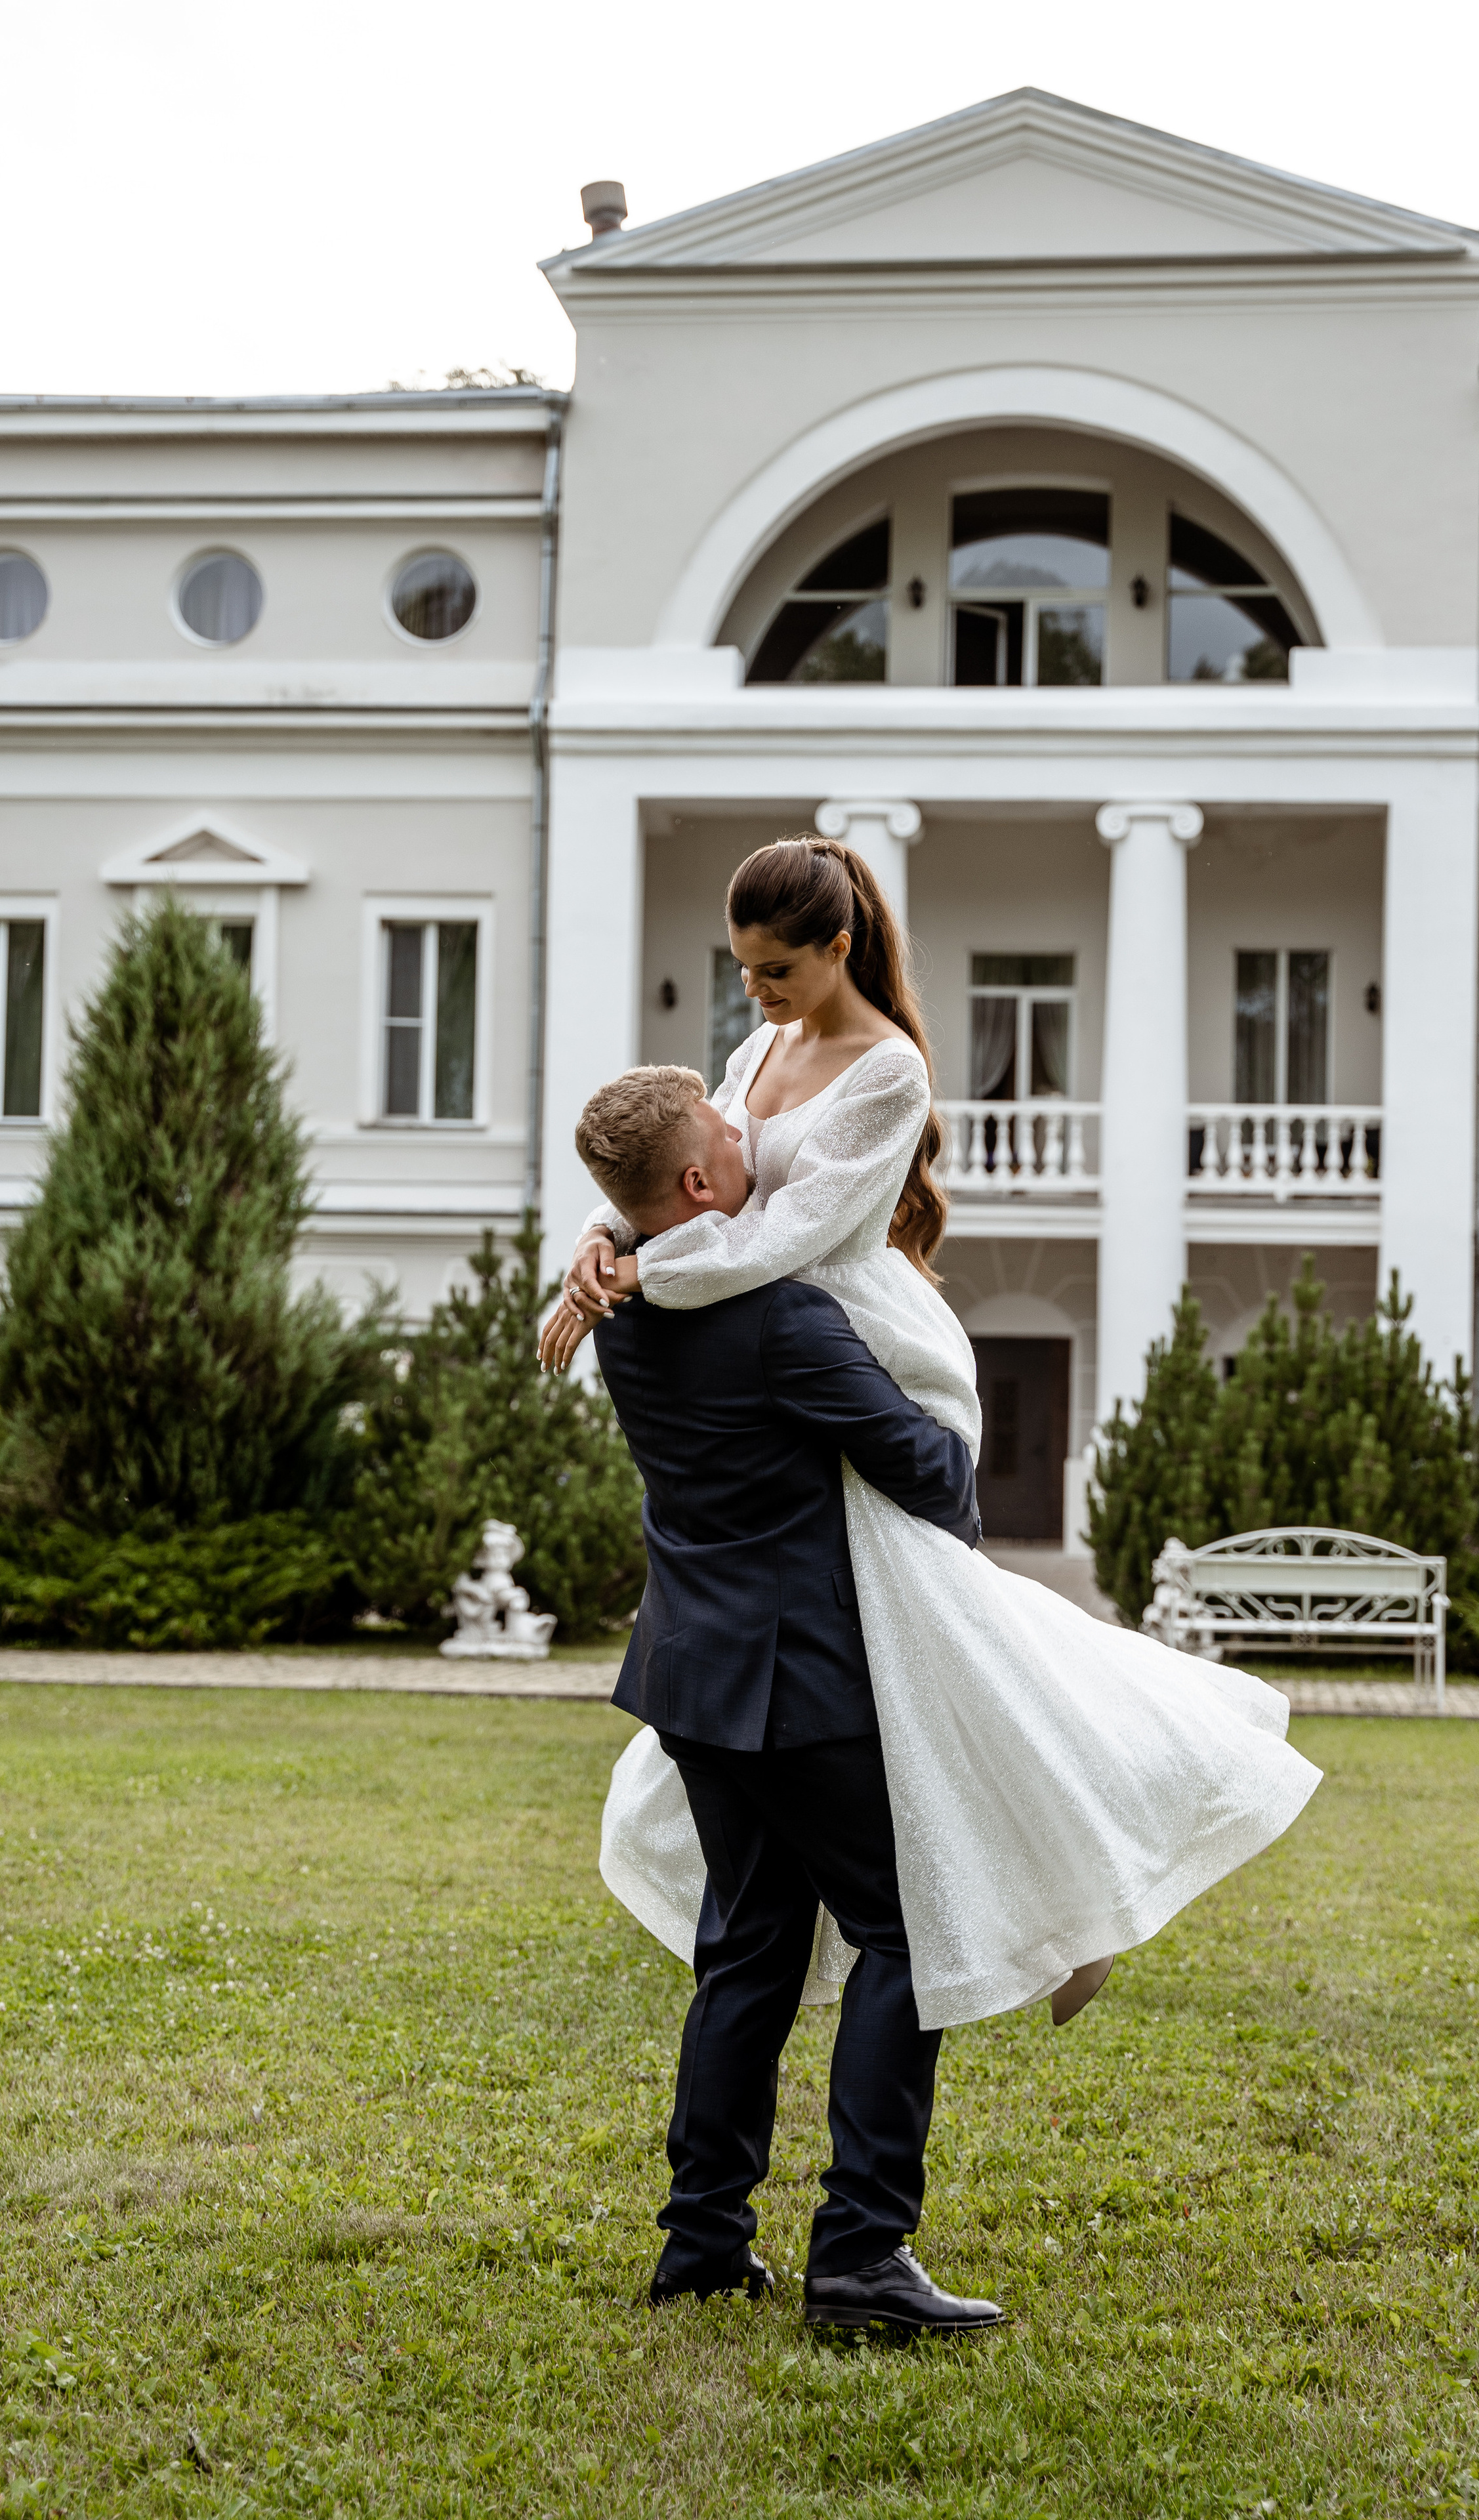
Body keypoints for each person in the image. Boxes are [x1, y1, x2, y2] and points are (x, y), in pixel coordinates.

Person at [541, 835, 1322, 2038]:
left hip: (857, 1355)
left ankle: (1071, 1891)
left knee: (940, 1650)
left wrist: (642, 1273)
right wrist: (602, 1241)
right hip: (773, 1348)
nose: (753, 994)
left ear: (839, 947)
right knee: (937, 1668)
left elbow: (767, 1238)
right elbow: (684, 1165)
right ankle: (1063, 1904)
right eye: (741, 969)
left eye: (775, 970)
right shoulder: (760, 1045)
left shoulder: (889, 1071)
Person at [579, 1062, 1006, 2334]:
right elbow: (930, 1476)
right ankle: (861, 2256)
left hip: (691, 1676)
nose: (751, 1124)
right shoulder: (782, 1320)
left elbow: (637, 1227)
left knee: (748, 1950)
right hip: (807, 1684)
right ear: (701, 1182)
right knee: (904, 1936)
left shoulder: (623, 1302)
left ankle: (701, 2244)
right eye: (728, 1125)